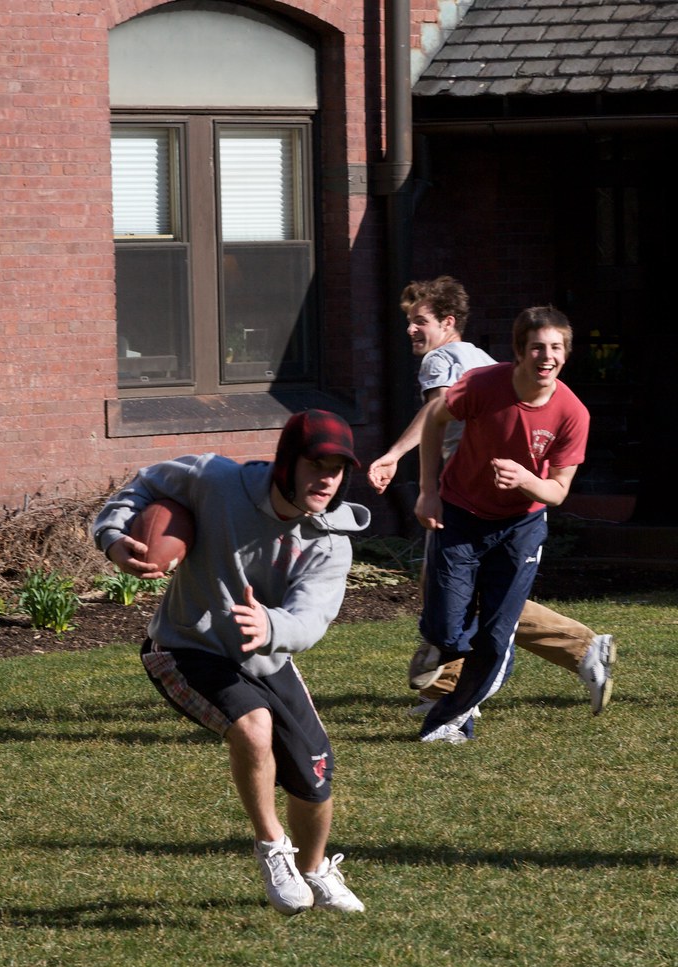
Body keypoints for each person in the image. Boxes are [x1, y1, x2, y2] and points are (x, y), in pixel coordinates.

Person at [92, 409, 369, 915]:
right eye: (316, 464)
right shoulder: (214, 480)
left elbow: (311, 620)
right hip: (183, 645)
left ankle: (314, 869)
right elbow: (142, 486)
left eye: (337, 469)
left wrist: (272, 627)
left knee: (315, 779)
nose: (327, 479)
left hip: (265, 657)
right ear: (287, 463)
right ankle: (271, 847)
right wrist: (113, 538)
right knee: (253, 727)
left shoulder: (331, 543)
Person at [367, 277, 614, 722]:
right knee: (458, 597)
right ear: (521, 352)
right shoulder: (481, 361)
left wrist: (393, 456)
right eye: (407, 321)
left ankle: (578, 648)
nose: (410, 330)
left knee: (464, 600)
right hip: (475, 497)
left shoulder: (442, 359)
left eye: (418, 321)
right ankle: (450, 688)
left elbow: (436, 410)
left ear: (447, 322)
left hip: (472, 499)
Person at [413, 304, 591, 744]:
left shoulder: (573, 413)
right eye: (536, 347)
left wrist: (530, 481)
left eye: (554, 348)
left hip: (521, 527)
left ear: (565, 354)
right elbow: (435, 421)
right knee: (446, 626)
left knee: (494, 638)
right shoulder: (482, 386)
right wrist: (428, 490)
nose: (545, 357)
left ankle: (449, 722)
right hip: (459, 514)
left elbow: (559, 490)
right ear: (518, 351)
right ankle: (443, 643)